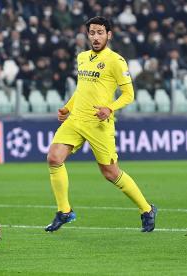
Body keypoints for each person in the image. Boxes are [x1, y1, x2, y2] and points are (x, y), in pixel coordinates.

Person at [45, 17, 157, 233]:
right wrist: (67, 108)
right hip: (76, 119)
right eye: (92, 33)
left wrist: (110, 108)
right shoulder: (82, 57)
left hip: (99, 123)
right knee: (53, 158)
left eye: (100, 32)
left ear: (109, 34)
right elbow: (82, 89)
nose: (95, 37)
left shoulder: (116, 61)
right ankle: (64, 211)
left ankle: (147, 209)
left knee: (110, 173)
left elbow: (129, 94)